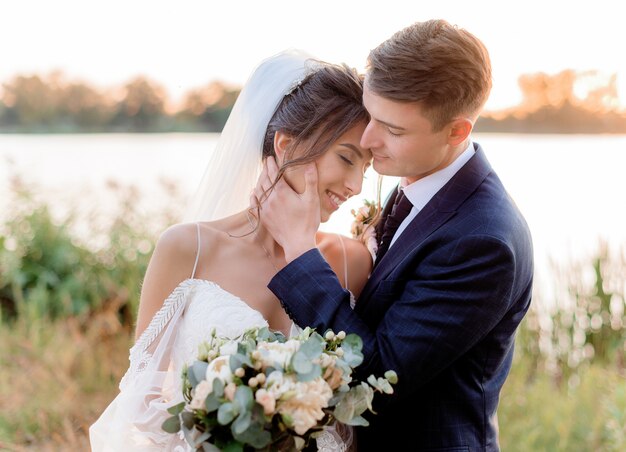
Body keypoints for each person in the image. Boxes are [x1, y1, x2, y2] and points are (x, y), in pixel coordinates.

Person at [255, 20, 534, 451]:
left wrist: (298, 248)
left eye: (393, 130)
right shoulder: (418, 182)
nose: (369, 140)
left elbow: (376, 374)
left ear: (456, 131)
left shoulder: (483, 241)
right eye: (372, 115)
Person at [89, 49, 373, 451]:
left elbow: (360, 406)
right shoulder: (188, 247)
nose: (357, 184)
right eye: (347, 158)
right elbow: (142, 396)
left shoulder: (352, 261)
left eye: (367, 166)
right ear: (286, 145)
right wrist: (224, 434)